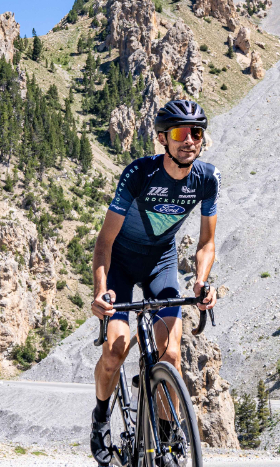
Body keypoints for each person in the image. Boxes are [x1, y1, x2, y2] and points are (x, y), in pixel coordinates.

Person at [89, 99, 220, 466]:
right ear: (163, 138)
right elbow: (104, 242)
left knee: (172, 355)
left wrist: (201, 282)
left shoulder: (207, 178)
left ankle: (164, 442)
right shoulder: (139, 174)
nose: (190, 140)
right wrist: (101, 291)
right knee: (114, 352)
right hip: (121, 265)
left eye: (197, 132)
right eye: (180, 133)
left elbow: (207, 243)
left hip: (160, 263)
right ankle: (100, 418)